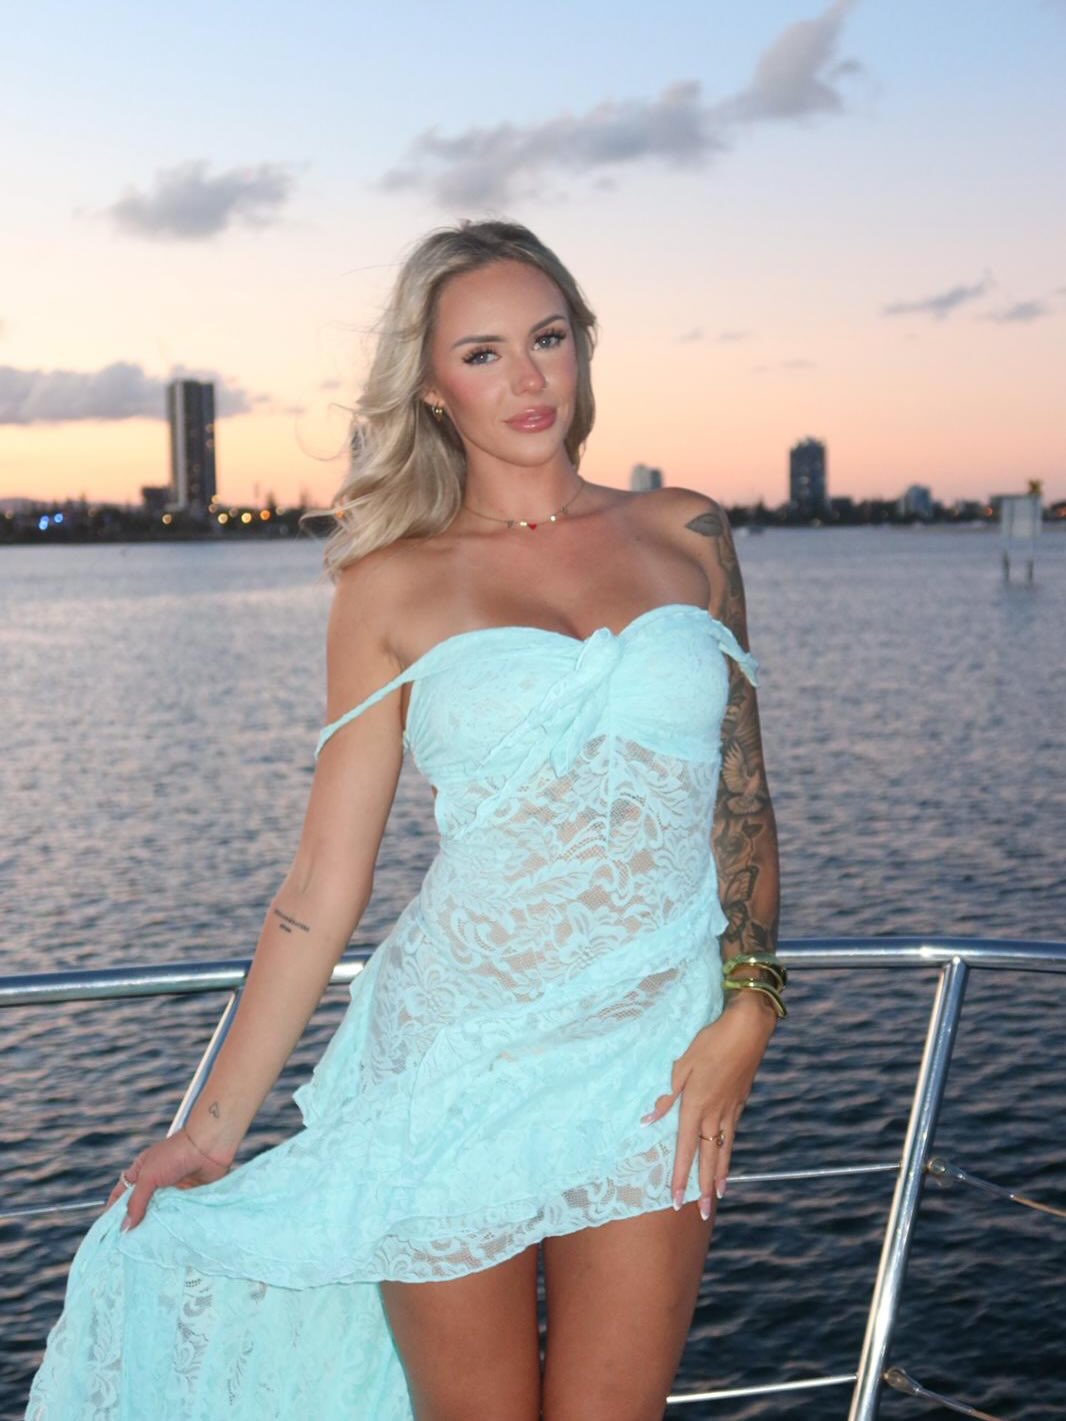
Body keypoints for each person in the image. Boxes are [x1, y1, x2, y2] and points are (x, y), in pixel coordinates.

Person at [25, 218, 786, 1421]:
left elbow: (742, 798)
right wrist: (212, 1130)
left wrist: (749, 1003)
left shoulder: (686, 531)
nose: (527, 378)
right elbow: (323, 882)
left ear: (583, 346)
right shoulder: (388, 578)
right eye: (483, 354)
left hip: (655, 1056)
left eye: (546, 338)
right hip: (452, 1062)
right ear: (433, 386)